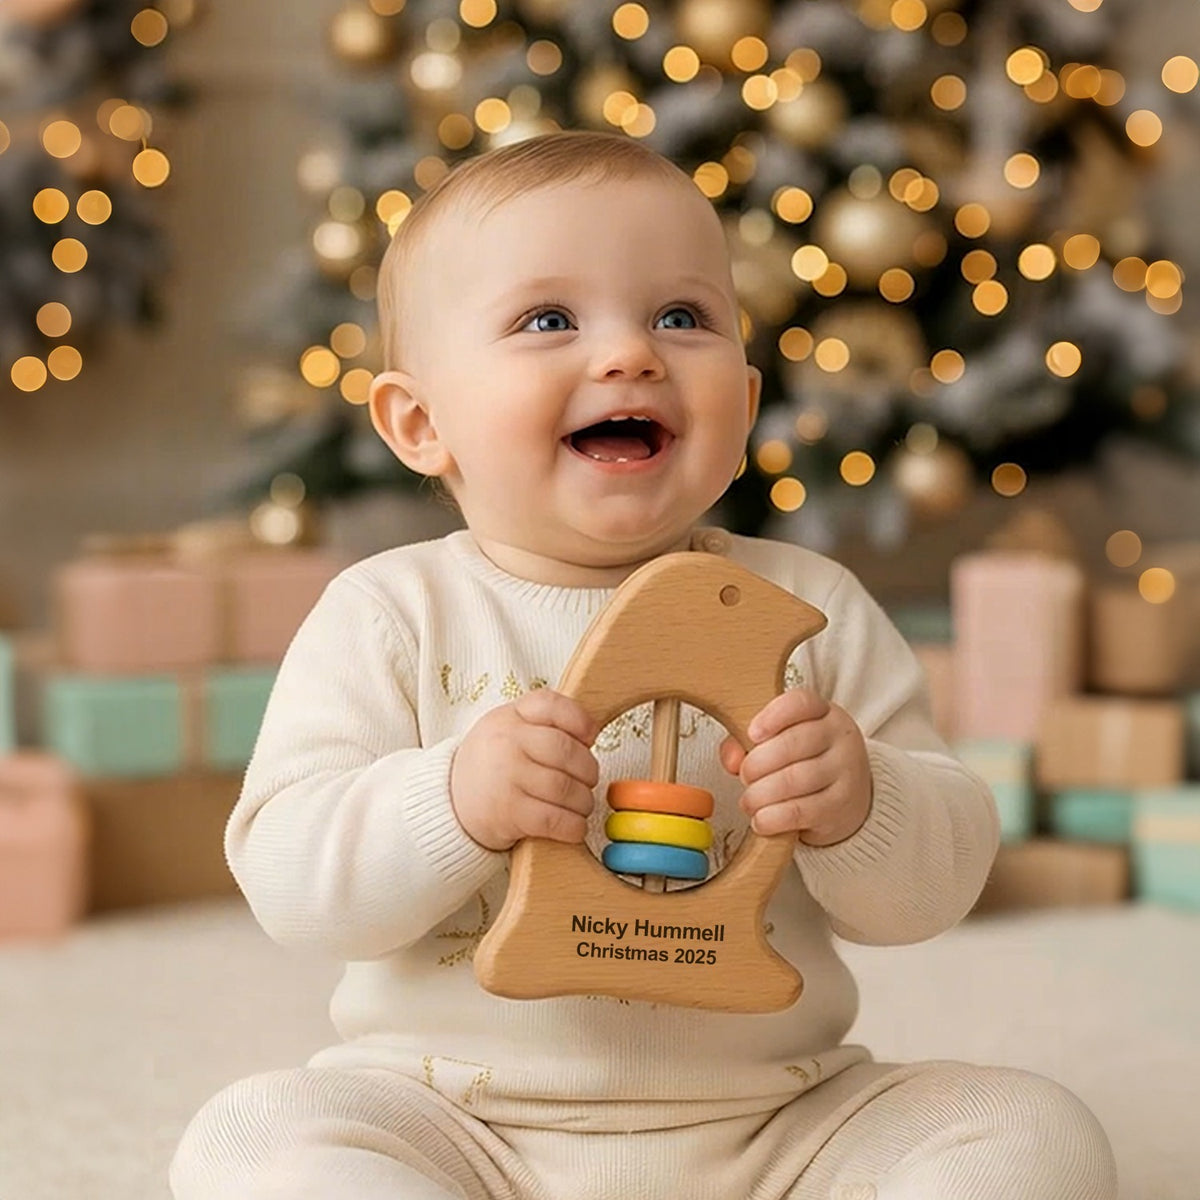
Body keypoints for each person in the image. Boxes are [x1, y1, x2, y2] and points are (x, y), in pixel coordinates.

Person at [171, 130, 1117, 1200]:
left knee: (1030, 1131)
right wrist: (452, 801)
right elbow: (293, 885)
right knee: (251, 1138)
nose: (631, 355)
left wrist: (865, 802)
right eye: (548, 320)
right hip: (454, 1121)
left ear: (747, 405)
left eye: (683, 317)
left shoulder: (808, 615)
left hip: (778, 1121)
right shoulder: (391, 614)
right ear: (422, 422)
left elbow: (932, 892)